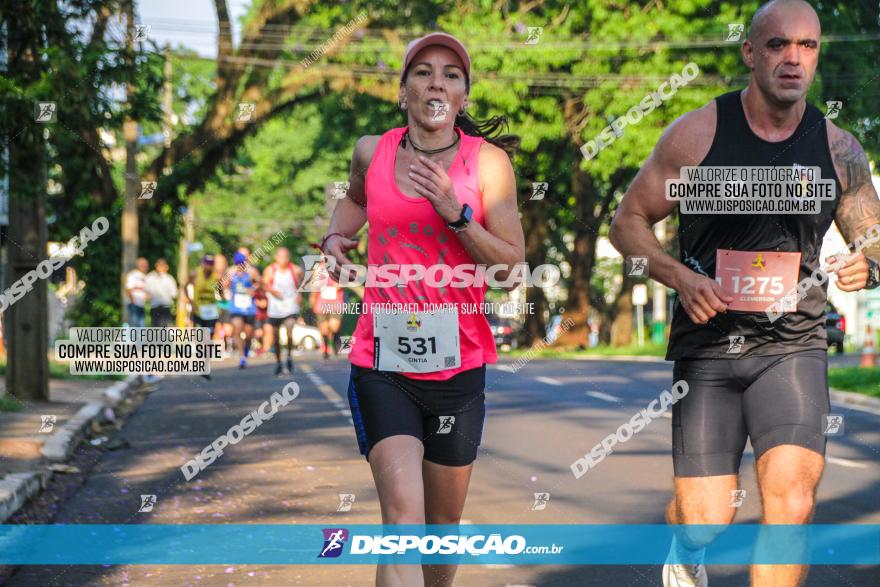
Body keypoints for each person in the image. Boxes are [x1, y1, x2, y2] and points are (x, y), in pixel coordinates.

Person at [609, 2, 880, 586]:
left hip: (794, 345)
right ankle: (687, 545)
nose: (793, 58)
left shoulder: (839, 150)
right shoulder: (697, 135)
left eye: (807, 46)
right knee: (707, 518)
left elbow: (875, 241)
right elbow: (625, 223)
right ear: (750, 53)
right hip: (708, 348)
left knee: (793, 506)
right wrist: (676, 274)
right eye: (779, 45)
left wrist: (869, 264)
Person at [320, 32, 524, 587]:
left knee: (440, 532)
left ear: (463, 96)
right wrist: (336, 237)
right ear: (404, 90)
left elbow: (509, 270)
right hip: (382, 359)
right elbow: (358, 199)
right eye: (423, 71)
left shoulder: (489, 165)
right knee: (403, 522)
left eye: (451, 74)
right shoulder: (372, 149)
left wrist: (455, 214)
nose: (437, 81)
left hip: (458, 365)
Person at [263, 247, 303, 376]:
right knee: (275, 337)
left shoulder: (295, 270)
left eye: (285, 257)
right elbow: (263, 285)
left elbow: (305, 281)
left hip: (290, 307)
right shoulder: (270, 270)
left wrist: (300, 293)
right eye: (280, 257)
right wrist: (272, 291)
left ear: (288, 258)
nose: (283, 259)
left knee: (290, 328)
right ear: (276, 257)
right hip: (275, 308)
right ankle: (279, 362)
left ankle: (289, 357)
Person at [228, 251, 257, 369]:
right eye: (238, 263)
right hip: (236, 307)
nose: (240, 265)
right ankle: (242, 357)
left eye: (242, 263)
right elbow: (222, 285)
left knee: (249, 334)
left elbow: (260, 283)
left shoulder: (252, 272)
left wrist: (254, 289)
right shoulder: (230, 272)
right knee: (237, 328)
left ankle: (245, 351)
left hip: (249, 308)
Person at [309, 273, 344, 360]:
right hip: (321, 303)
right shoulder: (317, 270)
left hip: (336, 303)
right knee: (324, 328)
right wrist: (312, 300)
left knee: (334, 326)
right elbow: (314, 287)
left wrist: (339, 284)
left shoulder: (338, 268)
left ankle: (336, 342)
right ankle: (325, 349)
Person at [145, 258, 177, 327]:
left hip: (166, 307)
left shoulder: (169, 279)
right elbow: (146, 292)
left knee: (164, 328)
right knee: (155, 328)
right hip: (154, 306)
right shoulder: (150, 277)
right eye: (159, 265)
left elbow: (174, 294)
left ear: (166, 267)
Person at [124, 257, 149, 327]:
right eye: (142, 265)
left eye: (145, 265)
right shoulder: (133, 275)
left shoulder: (146, 276)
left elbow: (147, 291)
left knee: (141, 325)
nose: (145, 266)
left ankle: (139, 338)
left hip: (142, 304)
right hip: (134, 304)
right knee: (134, 324)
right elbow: (128, 289)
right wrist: (133, 301)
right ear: (138, 265)